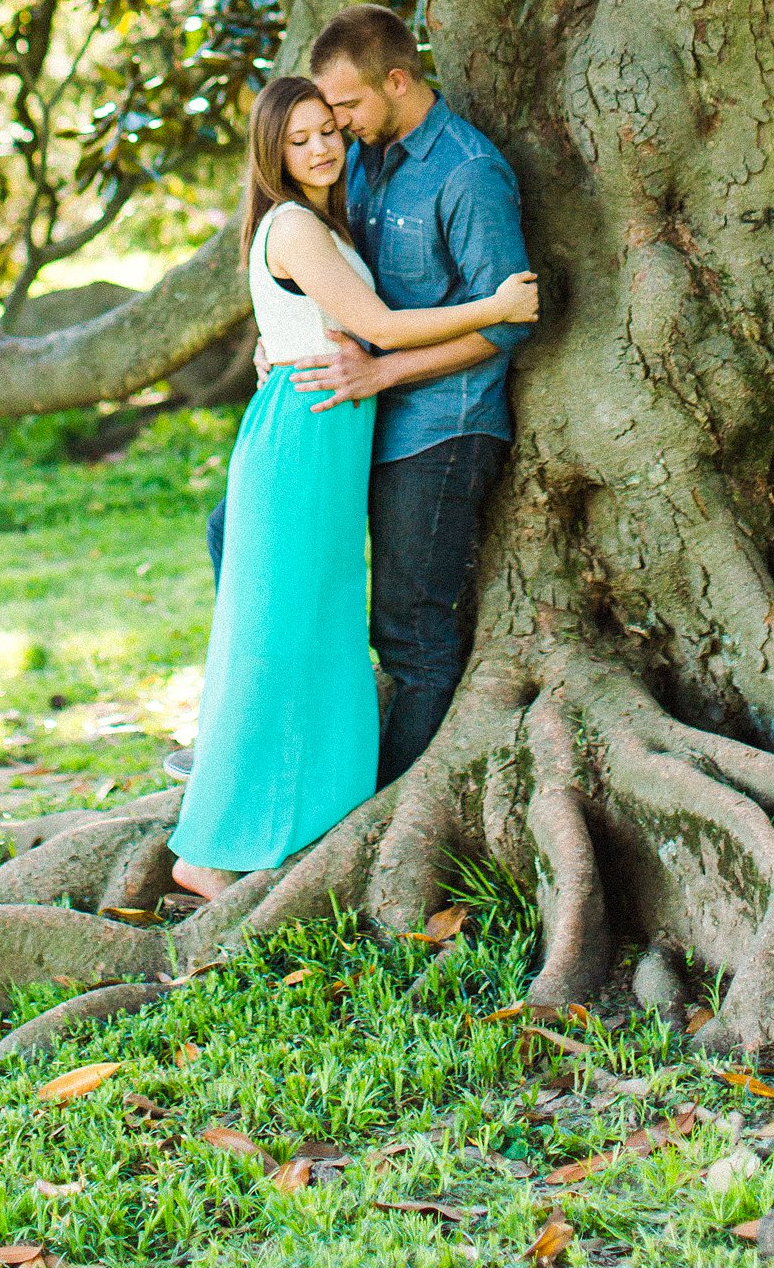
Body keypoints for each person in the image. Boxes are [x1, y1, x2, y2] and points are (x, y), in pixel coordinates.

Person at [169, 75, 537, 899]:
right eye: (297, 140)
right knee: (277, 644)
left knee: (316, 640)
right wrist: (494, 304)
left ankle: (293, 823)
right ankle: (208, 849)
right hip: (300, 443)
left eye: (327, 130)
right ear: (270, 152)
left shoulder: (324, 218)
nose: (321, 149)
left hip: (329, 445)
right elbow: (376, 329)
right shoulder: (295, 225)